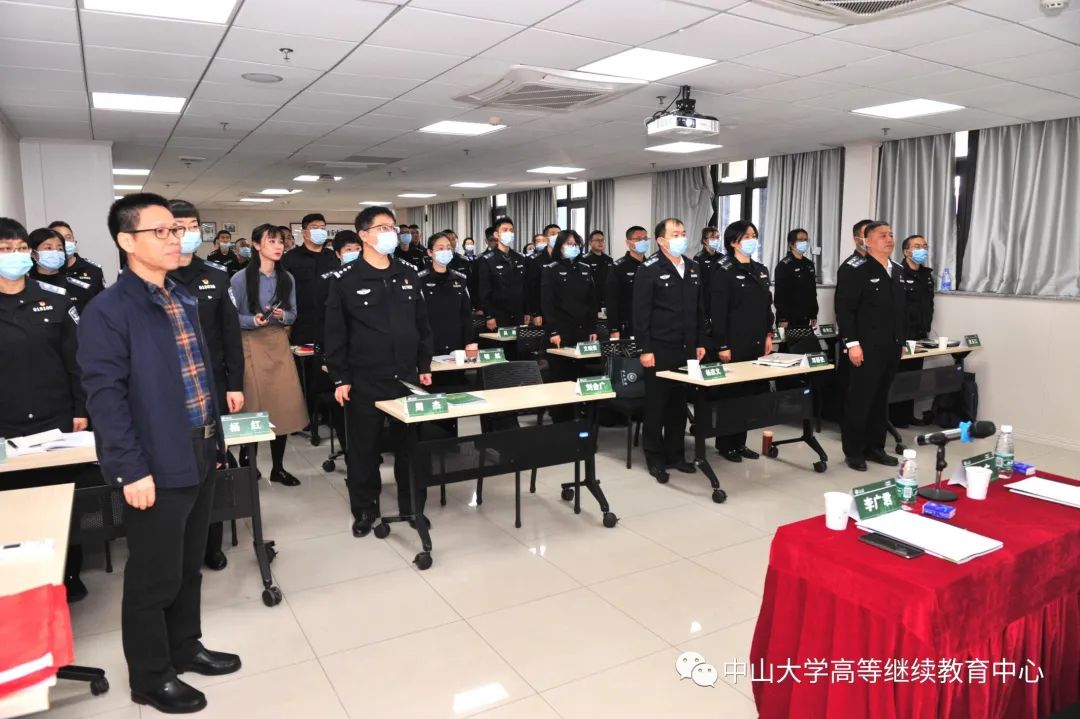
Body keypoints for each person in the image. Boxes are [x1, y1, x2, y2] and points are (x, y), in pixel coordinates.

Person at [77, 194, 240, 714]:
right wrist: (129, 470)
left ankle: (185, 646)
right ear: (127, 241)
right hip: (154, 459)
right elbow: (106, 399)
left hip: (200, 446)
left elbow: (200, 377)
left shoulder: (182, 296)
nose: (176, 239)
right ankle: (150, 676)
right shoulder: (107, 311)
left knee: (189, 564)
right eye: (161, 231)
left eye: (177, 230)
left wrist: (215, 440)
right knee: (154, 575)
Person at [1, 217, 100, 603]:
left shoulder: (56, 300)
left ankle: (69, 572)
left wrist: (80, 408)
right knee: (15, 507)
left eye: (19, 249)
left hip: (56, 420)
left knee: (62, 500)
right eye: (5, 250)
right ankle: (22, 583)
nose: (14, 256)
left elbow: (77, 362)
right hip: (6, 426)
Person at [324, 206, 433, 537]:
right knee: (364, 450)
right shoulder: (345, 279)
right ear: (364, 235)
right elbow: (335, 333)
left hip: (406, 378)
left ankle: (412, 506)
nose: (391, 233)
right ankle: (364, 509)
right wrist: (340, 378)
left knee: (410, 447)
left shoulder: (408, 273)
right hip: (365, 378)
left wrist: (424, 365)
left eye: (392, 227)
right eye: (383, 228)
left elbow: (422, 325)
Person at [168, 199, 245, 571]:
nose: (187, 234)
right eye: (178, 227)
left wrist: (235, 384)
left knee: (212, 464)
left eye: (193, 226)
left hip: (212, 387)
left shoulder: (216, 275)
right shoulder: (152, 276)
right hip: (168, 391)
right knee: (174, 469)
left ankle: (211, 543)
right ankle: (177, 546)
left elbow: (231, 336)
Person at [230, 224, 308, 486]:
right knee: (253, 406)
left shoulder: (287, 278)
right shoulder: (240, 278)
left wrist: (283, 315)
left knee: (282, 406)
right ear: (256, 245)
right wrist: (252, 320)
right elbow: (231, 317)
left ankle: (278, 467)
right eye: (271, 241)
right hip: (250, 342)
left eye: (281, 242)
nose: (278, 246)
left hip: (278, 342)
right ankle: (248, 462)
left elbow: (293, 313)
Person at [633, 218, 707, 482]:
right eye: (675, 234)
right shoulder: (649, 269)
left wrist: (700, 342)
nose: (681, 238)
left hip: (686, 348)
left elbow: (699, 309)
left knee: (678, 404)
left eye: (683, 233)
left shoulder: (693, 267)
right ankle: (654, 457)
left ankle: (676, 455)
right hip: (659, 347)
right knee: (657, 405)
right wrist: (645, 348)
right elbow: (641, 312)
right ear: (661, 240)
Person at [835, 221, 906, 472]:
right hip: (865, 347)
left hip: (891, 346)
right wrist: (852, 344)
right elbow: (845, 310)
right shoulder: (857, 269)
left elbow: (900, 311)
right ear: (867, 241)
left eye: (891, 234)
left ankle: (876, 447)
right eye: (882, 235)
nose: (889, 239)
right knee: (860, 400)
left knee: (880, 400)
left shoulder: (897, 270)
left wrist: (901, 341)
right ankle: (854, 451)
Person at [710, 221, 774, 462]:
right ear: (733, 242)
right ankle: (726, 444)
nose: (752, 240)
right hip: (733, 342)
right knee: (732, 396)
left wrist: (769, 334)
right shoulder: (723, 269)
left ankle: (740, 443)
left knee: (749, 396)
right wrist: (722, 345)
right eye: (746, 236)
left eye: (754, 235)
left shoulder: (760, 269)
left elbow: (767, 306)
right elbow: (718, 312)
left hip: (756, 341)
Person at [280, 213, 339, 439]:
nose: (320, 231)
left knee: (328, 370)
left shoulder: (332, 257)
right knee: (304, 374)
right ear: (304, 232)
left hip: (330, 324)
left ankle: (329, 414)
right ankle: (305, 416)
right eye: (315, 227)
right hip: (302, 325)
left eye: (323, 227)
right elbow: (284, 293)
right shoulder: (290, 259)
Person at [542, 230, 600, 421]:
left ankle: (582, 416)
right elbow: (547, 304)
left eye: (575, 244)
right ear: (560, 246)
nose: (573, 247)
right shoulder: (551, 269)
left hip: (582, 330)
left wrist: (592, 328)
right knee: (561, 376)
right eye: (569, 244)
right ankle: (561, 419)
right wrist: (553, 330)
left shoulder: (585, 268)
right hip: (561, 331)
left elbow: (592, 302)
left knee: (580, 375)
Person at [892, 234, 935, 427]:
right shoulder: (897, 273)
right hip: (903, 334)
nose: (922, 250)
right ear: (906, 251)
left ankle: (907, 414)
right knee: (899, 376)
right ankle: (895, 417)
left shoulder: (926, 275)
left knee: (914, 376)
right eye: (917, 246)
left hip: (920, 334)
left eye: (924, 246)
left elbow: (929, 304)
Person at [418, 232, 472, 356]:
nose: (445, 251)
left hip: (456, 344)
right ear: (430, 252)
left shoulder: (460, 279)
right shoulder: (419, 280)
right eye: (440, 248)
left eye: (448, 248)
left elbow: (466, 315)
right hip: (430, 344)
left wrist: (468, 342)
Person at [477, 216, 528, 331]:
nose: (509, 233)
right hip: (498, 314)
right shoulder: (487, 260)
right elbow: (484, 291)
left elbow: (525, 287)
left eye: (511, 230)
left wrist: (527, 311)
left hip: (518, 313)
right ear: (496, 234)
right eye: (505, 230)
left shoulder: (520, 258)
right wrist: (489, 315)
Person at [28, 227, 97, 312]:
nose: (55, 252)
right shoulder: (25, 288)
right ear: (33, 253)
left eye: (60, 249)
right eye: (48, 248)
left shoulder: (77, 287)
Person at [773, 228, 819, 338]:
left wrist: (813, 313)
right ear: (791, 243)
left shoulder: (809, 264)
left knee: (804, 345)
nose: (804, 242)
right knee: (789, 347)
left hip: (805, 316)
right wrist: (783, 318)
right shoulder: (784, 265)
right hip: (789, 318)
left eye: (806, 240)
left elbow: (812, 291)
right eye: (801, 240)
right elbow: (780, 295)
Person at [606, 226, 649, 340]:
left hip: (649, 325)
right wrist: (613, 329)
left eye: (645, 239)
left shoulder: (651, 265)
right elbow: (612, 300)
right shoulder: (618, 267)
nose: (643, 242)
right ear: (628, 242)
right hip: (627, 324)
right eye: (638, 239)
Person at [48, 220, 106, 293]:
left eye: (68, 237)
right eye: (59, 238)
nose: (64, 242)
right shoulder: (43, 270)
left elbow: (103, 298)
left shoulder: (92, 269)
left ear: (74, 242)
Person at [525, 223, 559, 327]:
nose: (557, 236)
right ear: (546, 237)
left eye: (559, 234)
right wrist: (536, 313)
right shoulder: (535, 260)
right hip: (542, 310)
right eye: (553, 234)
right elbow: (532, 288)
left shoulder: (564, 258)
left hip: (561, 309)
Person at [694, 226, 724, 331]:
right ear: (704, 241)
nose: (716, 240)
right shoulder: (698, 258)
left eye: (717, 237)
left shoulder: (723, 258)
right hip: (704, 300)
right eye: (712, 237)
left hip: (719, 299)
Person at [580, 230, 613, 316]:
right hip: (591, 298)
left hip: (606, 298)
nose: (600, 242)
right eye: (597, 240)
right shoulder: (584, 259)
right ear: (590, 243)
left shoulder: (609, 259)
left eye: (602, 240)